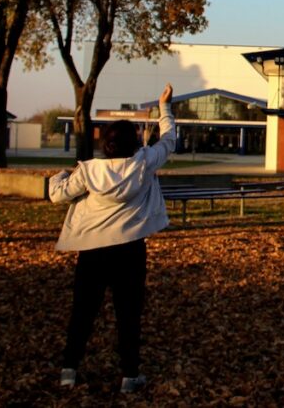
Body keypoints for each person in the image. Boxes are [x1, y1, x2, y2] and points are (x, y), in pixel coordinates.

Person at [49, 84, 175, 394]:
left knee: (83, 311)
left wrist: (61, 176)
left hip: (93, 251)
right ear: (134, 144)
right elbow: (170, 141)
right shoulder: (144, 163)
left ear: (106, 145)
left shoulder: (88, 172)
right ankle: (129, 375)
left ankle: (69, 370)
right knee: (128, 314)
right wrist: (165, 108)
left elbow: (57, 196)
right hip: (130, 250)